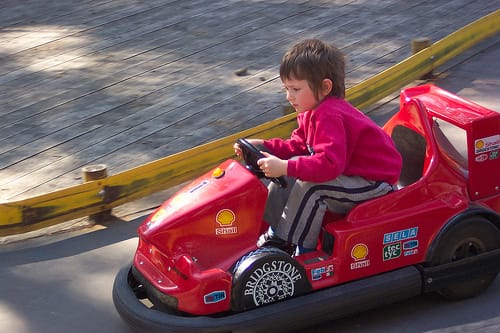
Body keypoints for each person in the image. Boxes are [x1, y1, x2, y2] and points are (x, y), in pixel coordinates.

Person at [234, 39, 402, 256]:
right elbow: (299, 146)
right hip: (348, 174)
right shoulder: (310, 111)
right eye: (286, 88)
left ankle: (296, 249)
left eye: (295, 89)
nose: (289, 96)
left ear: (325, 87)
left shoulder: (329, 114)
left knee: (310, 186)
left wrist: (285, 166)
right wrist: (265, 146)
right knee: (288, 175)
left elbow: (329, 164)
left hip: (373, 183)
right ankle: (270, 230)